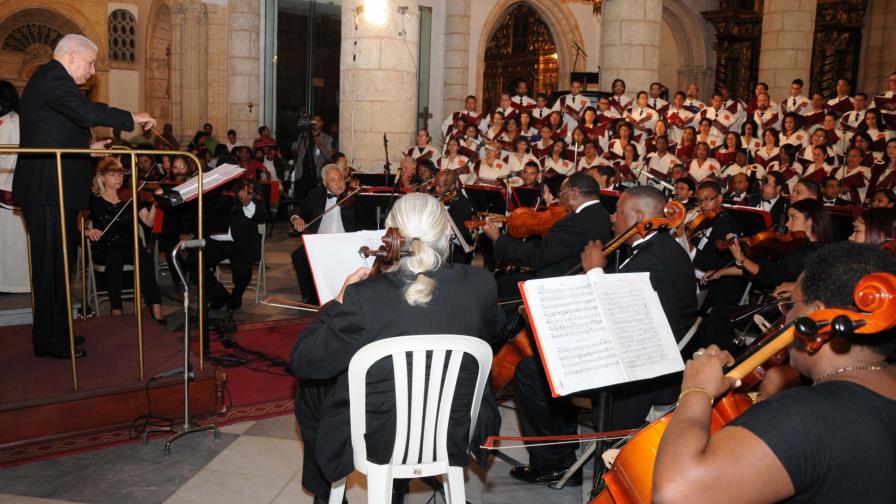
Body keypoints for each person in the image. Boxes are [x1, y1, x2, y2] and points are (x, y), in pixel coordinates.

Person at [290, 193, 505, 503]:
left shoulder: (364, 296)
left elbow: (302, 360)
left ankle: (325, 492)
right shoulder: (481, 284)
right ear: (447, 231)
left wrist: (339, 299)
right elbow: (494, 333)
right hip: (454, 426)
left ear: (390, 234)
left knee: (310, 391)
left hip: (379, 436)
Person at [653, 242, 896, 504]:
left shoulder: (807, 415)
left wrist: (695, 390)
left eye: (791, 306)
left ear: (815, 316)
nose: (786, 317)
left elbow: (676, 492)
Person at [509, 186, 698, 485]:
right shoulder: (659, 248)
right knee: (546, 364)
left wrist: (595, 272)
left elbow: (617, 314)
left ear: (638, 216)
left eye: (619, 211)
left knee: (532, 372)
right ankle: (559, 456)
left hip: (646, 373)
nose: (612, 217)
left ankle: (555, 462)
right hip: (645, 353)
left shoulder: (656, 258)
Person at [12, 34, 155, 359]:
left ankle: (56, 333)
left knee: (60, 265)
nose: (92, 71)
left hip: (53, 185)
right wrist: (132, 117)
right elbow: (86, 112)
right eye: (90, 62)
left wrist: (86, 149)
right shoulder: (52, 77)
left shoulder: (53, 80)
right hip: (47, 188)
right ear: (72, 55)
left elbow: (52, 130)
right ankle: (51, 341)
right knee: (51, 268)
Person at [482, 172, 613, 279]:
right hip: (576, 275)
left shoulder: (574, 223)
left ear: (574, 194)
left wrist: (498, 239)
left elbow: (538, 256)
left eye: (561, 194)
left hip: (559, 282)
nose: (559, 199)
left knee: (500, 283)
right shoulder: (605, 215)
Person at [85, 158, 165, 323]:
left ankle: (156, 307)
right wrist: (88, 231)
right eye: (113, 174)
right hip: (105, 247)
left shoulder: (130, 196)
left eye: (120, 174)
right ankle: (116, 309)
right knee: (113, 259)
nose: (119, 178)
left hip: (129, 244)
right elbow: (78, 224)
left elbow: (148, 222)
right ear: (102, 178)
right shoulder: (93, 200)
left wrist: (157, 204)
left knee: (145, 257)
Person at [290, 164, 357, 304]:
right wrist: (296, 218)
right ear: (325, 183)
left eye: (340, 178)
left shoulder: (354, 197)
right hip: (320, 242)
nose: (338, 183)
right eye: (333, 180)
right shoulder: (315, 195)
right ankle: (311, 297)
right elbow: (299, 209)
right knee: (298, 255)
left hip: (346, 242)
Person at [203, 178, 268, 313]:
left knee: (243, 269)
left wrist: (247, 204)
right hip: (214, 240)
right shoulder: (209, 186)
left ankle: (236, 296)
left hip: (241, 242)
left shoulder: (250, 186)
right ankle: (220, 296)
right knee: (193, 263)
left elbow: (263, 215)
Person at [0, 79, 28, 293]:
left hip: (7, 183)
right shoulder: (14, 120)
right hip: (11, 182)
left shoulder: (10, 123)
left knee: (11, 241)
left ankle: (14, 284)